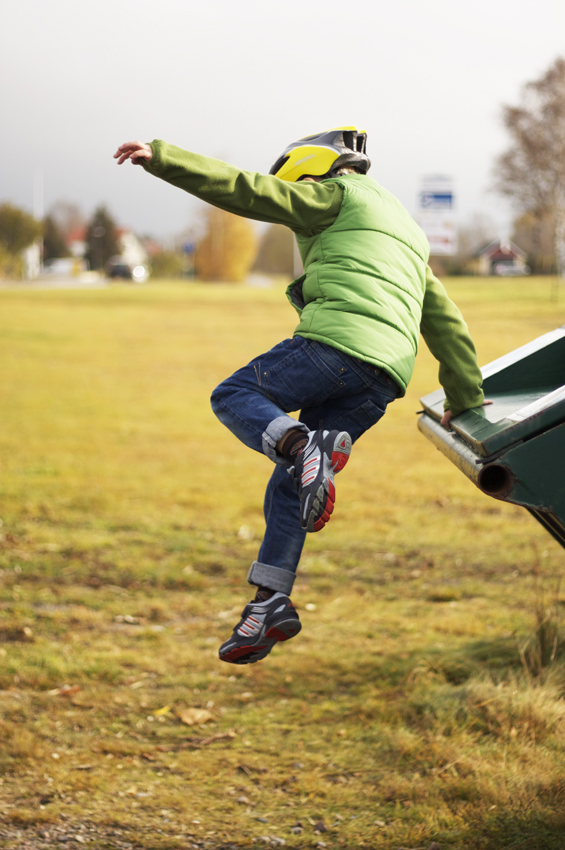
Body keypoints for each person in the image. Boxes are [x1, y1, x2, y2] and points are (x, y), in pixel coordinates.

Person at [114, 127, 487, 665]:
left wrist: (163, 159)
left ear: (309, 172)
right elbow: (446, 322)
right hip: (384, 379)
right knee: (294, 483)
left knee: (235, 393)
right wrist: (466, 397)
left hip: (336, 347)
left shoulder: (334, 194)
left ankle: (302, 446)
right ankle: (270, 603)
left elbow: (247, 190)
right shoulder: (408, 233)